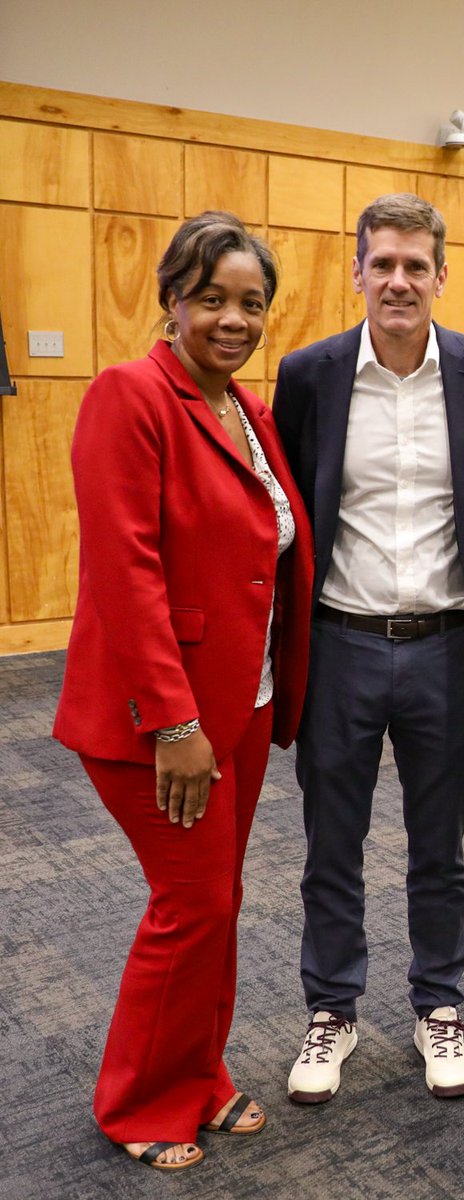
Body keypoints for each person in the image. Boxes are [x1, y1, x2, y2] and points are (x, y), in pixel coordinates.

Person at [53, 213, 314, 1171]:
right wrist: (175, 721)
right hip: (163, 719)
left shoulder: (244, 409)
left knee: (219, 899)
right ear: (171, 301)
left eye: (250, 302)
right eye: (211, 298)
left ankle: (198, 1075)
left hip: (241, 704)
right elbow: (125, 574)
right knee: (189, 902)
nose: (233, 319)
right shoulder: (130, 397)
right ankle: (138, 1102)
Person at [273, 194, 464, 1104]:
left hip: (445, 648)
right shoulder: (309, 374)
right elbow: (290, 512)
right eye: (383, 264)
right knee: (330, 843)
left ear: (442, 276)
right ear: (357, 271)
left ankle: (438, 1007)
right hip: (338, 642)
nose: (399, 281)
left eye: (417, 266)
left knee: (440, 846)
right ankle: (330, 1010)